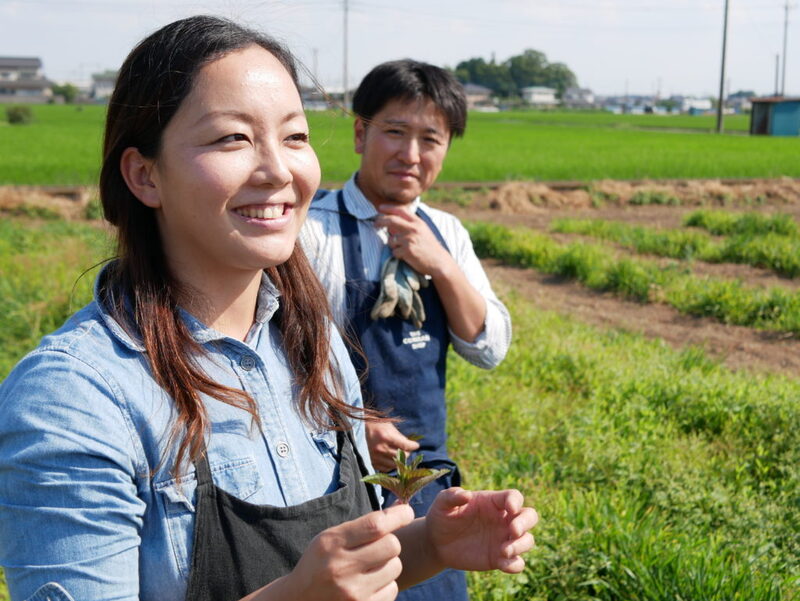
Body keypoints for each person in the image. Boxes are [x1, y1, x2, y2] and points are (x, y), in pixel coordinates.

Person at [0, 15, 537, 601]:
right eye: (233, 138)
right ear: (144, 175)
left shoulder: (315, 344)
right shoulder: (76, 399)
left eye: (295, 137)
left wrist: (432, 544)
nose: (279, 170)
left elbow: (343, 571)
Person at [301, 60, 512, 600]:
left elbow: (489, 346)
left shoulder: (447, 232)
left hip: (424, 478)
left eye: (430, 139)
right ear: (359, 133)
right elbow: (281, 354)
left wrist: (439, 264)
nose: (410, 154)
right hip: (331, 471)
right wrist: (348, 424)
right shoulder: (311, 228)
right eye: (394, 132)